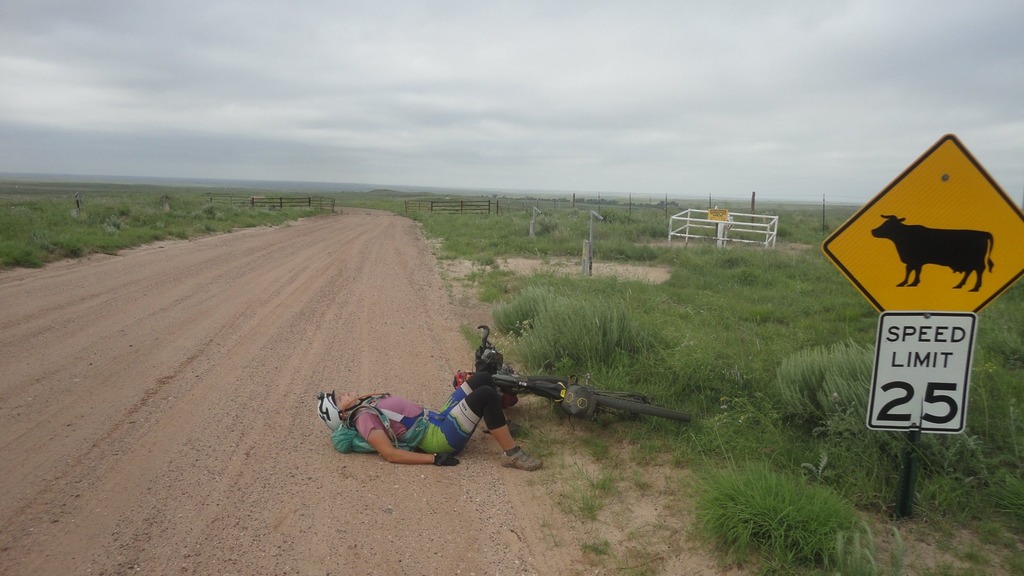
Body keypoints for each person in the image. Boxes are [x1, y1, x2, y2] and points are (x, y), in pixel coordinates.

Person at [316, 371, 542, 471]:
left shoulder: (363, 405)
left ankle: (499, 426)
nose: (344, 393)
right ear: (341, 415)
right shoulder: (364, 419)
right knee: (486, 394)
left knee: (481, 378)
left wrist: (356, 398)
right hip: (438, 437)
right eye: (339, 399)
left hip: (435, 417)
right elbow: (390, 454)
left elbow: (378, 396)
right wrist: (434, 459)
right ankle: (512, 455)